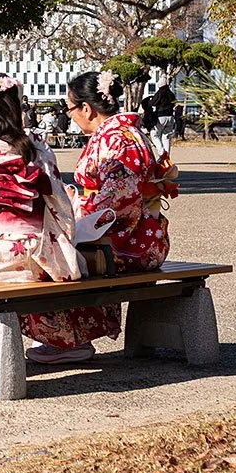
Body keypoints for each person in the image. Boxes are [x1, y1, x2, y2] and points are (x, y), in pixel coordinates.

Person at [0, 74, 91, 365]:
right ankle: (64, 340)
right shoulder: (38, 146)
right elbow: (60, 203)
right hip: (38, 260)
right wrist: (63, 240)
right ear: (16, 105)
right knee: (62, 263)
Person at [65, 70, 177, 334]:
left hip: (128, 243)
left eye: (70, 108)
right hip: (140, 234)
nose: (69, 114)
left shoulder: (117, 139)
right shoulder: (126, 134)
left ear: (86, 108)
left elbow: (116, 201)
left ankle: (70, 337)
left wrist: (73, 206)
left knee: (56, 259)